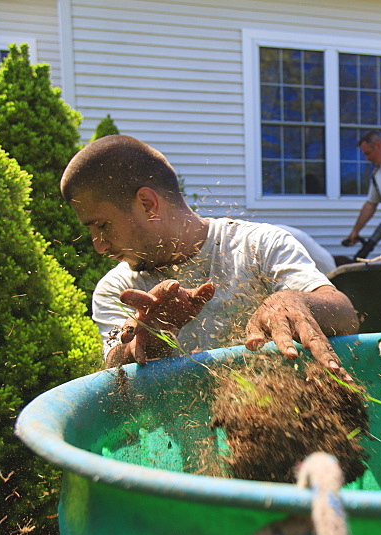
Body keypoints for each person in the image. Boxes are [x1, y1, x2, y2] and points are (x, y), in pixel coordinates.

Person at [60, 135, 359, 373]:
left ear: (148, 204)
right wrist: (147, 340)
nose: (99, 245)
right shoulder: (117, 289)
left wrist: (290, 301)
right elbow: (114, 368)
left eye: (102, 225)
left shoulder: (258, 246)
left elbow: (345, 313)